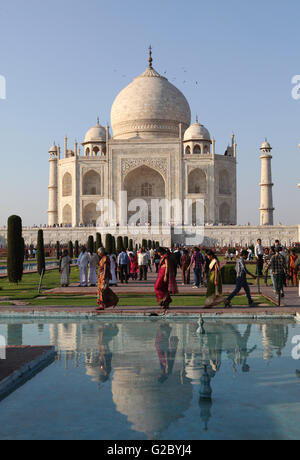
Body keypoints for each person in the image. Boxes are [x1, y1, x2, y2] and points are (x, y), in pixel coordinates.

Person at [155, 247, 178, 312]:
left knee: (157, 287)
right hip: (161, 272)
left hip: (163, 273)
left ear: (161, 251)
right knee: (163, 288)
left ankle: (164, 300)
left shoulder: (166, 256)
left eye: (158, 252)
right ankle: (165, 303)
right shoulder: (164, 256)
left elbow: (167, 266)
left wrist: (165, 275)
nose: (158, 253)